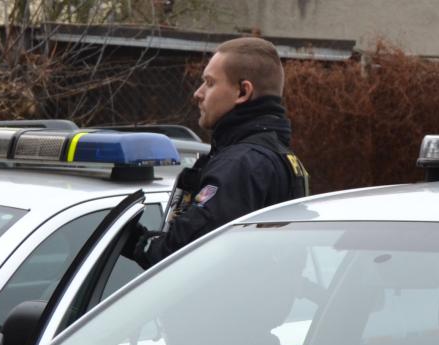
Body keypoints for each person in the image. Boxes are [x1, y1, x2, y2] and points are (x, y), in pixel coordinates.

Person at [130, 37, 310, 268]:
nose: (198, 93)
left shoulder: (242, 165)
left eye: (210, 82)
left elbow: (180, 256)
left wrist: (135, 241)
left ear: (243, 92)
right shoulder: (278, 156)